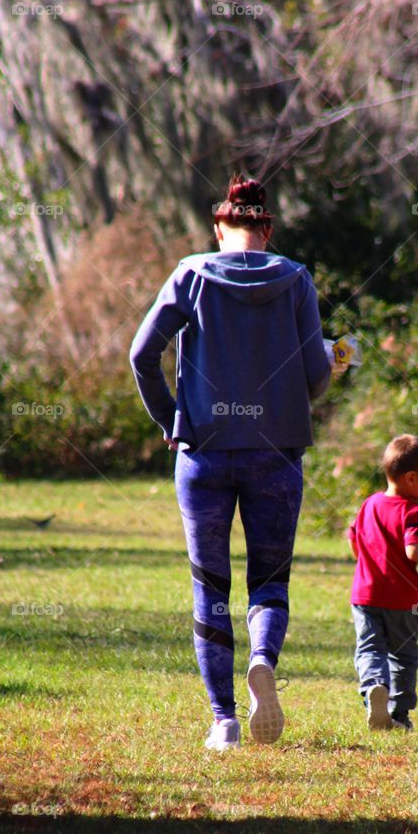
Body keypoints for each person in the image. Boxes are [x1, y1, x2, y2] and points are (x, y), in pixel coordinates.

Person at [129, 174, 332, 750]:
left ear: (221, 226)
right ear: (266, 228)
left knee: (209, 585)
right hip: (277, 453)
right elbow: (314, 381)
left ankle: (223, 720)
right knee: (269, 579)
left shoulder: (192, 274)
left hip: (203, 454)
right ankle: (262, 660)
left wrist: (172, 420)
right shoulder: (296, 279)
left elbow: (141, 355)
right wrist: (330, 360)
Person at [347, 435, 418, 731]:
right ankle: (398, 713)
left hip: (365, 595)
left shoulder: (369, 504)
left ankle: (373, 689)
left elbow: (354, 540)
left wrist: (368, 560)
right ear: (411, 478)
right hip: (401, 598)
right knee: (403, 656)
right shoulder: (414, 511)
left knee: (370, 649)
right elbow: (414, 551)